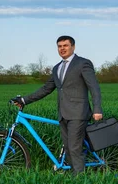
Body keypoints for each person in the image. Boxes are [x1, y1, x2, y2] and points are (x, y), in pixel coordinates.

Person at [11, 35, 102, 175]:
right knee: (68, 148)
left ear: (73, 47)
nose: (62, 49)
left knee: (73, 148)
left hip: (78, 113)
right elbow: (46, 89)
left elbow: (94, 87)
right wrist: (24, 100)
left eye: (65, 45)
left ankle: (80, 182)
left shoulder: (83, 63)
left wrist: (97, 108)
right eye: (59, 46)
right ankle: (75, 175)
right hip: (63, 114)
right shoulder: (57, 68)